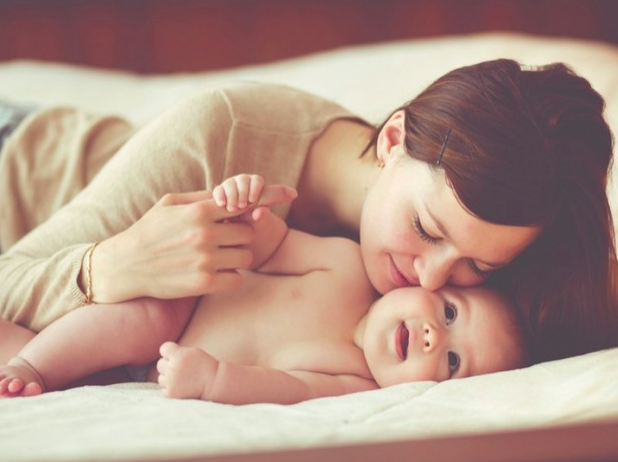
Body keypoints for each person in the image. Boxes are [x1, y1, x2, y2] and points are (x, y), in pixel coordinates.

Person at [0, 59, 616, 363]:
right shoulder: (223, 135)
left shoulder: (495, 226)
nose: (430, 279)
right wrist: (111, 267)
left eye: (477, 266)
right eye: (425, 230)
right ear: (392, 140)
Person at [0, 174, 528, 403]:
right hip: (184, 307)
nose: (436, 338)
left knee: (90, 375)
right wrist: (244, 205)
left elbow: (288, 390)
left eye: (453, 364)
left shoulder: (356, 382)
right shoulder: (344, 266)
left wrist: (214, 379)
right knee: (147, 317)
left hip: (178, 368)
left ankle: (18, 363)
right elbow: (270, 245)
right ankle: (34, 366)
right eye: (451, 314)